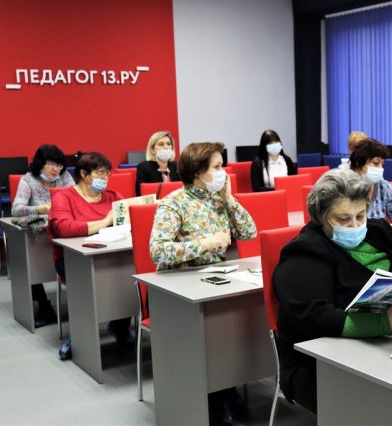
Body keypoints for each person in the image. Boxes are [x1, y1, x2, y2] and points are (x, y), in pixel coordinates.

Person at [273, 169, 392, 413]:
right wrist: (384, 323)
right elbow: (313, 317)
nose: (355, 226)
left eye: (361, 216)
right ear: (321, 216)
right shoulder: (304, 253)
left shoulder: (378, 232)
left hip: (391, 343)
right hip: (320, 362)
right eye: (343, 219)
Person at [149, 142, 256, 426]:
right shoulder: (173, 203)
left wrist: (229, 198)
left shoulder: (218, 199)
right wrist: (204, 244)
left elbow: (249, 232)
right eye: (217, 167)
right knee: (212, 335)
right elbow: (157, 251)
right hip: (179, 290)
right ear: (198, 172)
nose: (224, 173)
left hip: (216, 282)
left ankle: (226, 386)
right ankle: (215, 398)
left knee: (233, 326)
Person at [48, 152, 134, 360]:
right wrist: (104, 222)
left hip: (111, 255)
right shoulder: (64, 197)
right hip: (72, 260)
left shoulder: (114, 197)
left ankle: (120, 326)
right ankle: (79, 336)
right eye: (100, 173)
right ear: (84, 174)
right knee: (90, 284)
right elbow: (63, 228)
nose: (105, 178)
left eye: (107, 174)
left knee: (130, 276)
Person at [12, 144, 74, 328]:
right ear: (40, 163)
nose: (55, 169)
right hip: (36, 235)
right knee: (30, 264)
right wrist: (39, 209)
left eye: (59, 165)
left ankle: (78, 303)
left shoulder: (64, 177)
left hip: (61, 231)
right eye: (51, 164)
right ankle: (44, 306)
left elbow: (76, 198)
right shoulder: (28, 180)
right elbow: (16, 209)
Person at [349, 138, 392, 223]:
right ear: (358, 164)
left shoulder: (384, 187)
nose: (380, 168)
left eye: (382, 163)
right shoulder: (345, 188)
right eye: (376, 162)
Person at [135, 131, 180, 196]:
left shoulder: (177, 166)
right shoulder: (144, 168)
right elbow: (140, 194)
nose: (166, 147)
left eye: (168, 144)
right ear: (152, 150)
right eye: (161, 144)